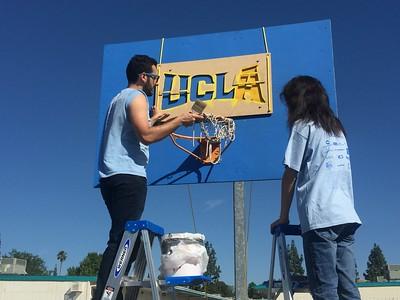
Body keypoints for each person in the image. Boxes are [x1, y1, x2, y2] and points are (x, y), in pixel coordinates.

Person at [94, 54, 203, 300]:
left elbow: (139, 128)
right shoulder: (138, 97)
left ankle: (110, 293)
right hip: (128, 177)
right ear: (144, 77)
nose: (157, 82)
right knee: (122, 242)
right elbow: (147, 136)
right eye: (156, 77)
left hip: (111, 177)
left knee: (121, 239)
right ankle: (106, 294)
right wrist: (180, 120)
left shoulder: (119, 98)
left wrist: (158, 119)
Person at [271, 75, 362, 300]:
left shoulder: (303, 127)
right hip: (346, 217)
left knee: (324, 289)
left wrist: (283, 216)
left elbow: (290, 175)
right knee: (348, 288)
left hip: (320, 217)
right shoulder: (336, 129)